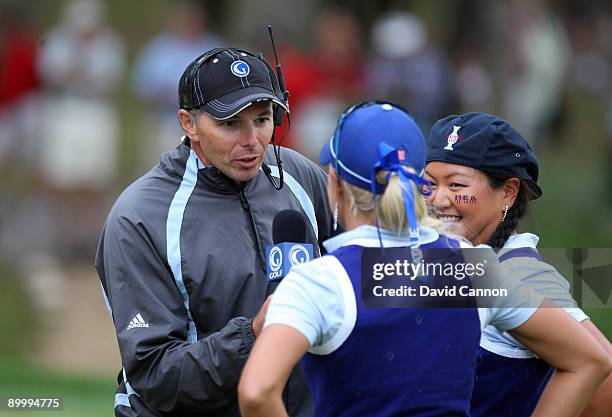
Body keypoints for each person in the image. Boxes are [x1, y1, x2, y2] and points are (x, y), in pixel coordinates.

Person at [238, 102, 611, 417]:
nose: (443, 198)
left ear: (333, 182)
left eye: (458, 184)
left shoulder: (317, 281)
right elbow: (589, 360)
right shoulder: (475, 266)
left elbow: (257, 392)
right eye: (436, 183)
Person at [95, 47, 334, 417]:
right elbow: (155, 375)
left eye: (262, 119)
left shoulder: (300, 177)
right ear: (188, 124)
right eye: (230, 124)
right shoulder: (139, 217)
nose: (252, 140)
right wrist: (253, 335)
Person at [424, 112, 612, 417]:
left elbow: (603, 371)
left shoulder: (522, 272)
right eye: (428, 184)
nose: (438, 199)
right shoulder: (459, 262)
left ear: (508, 193)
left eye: (457, 185)